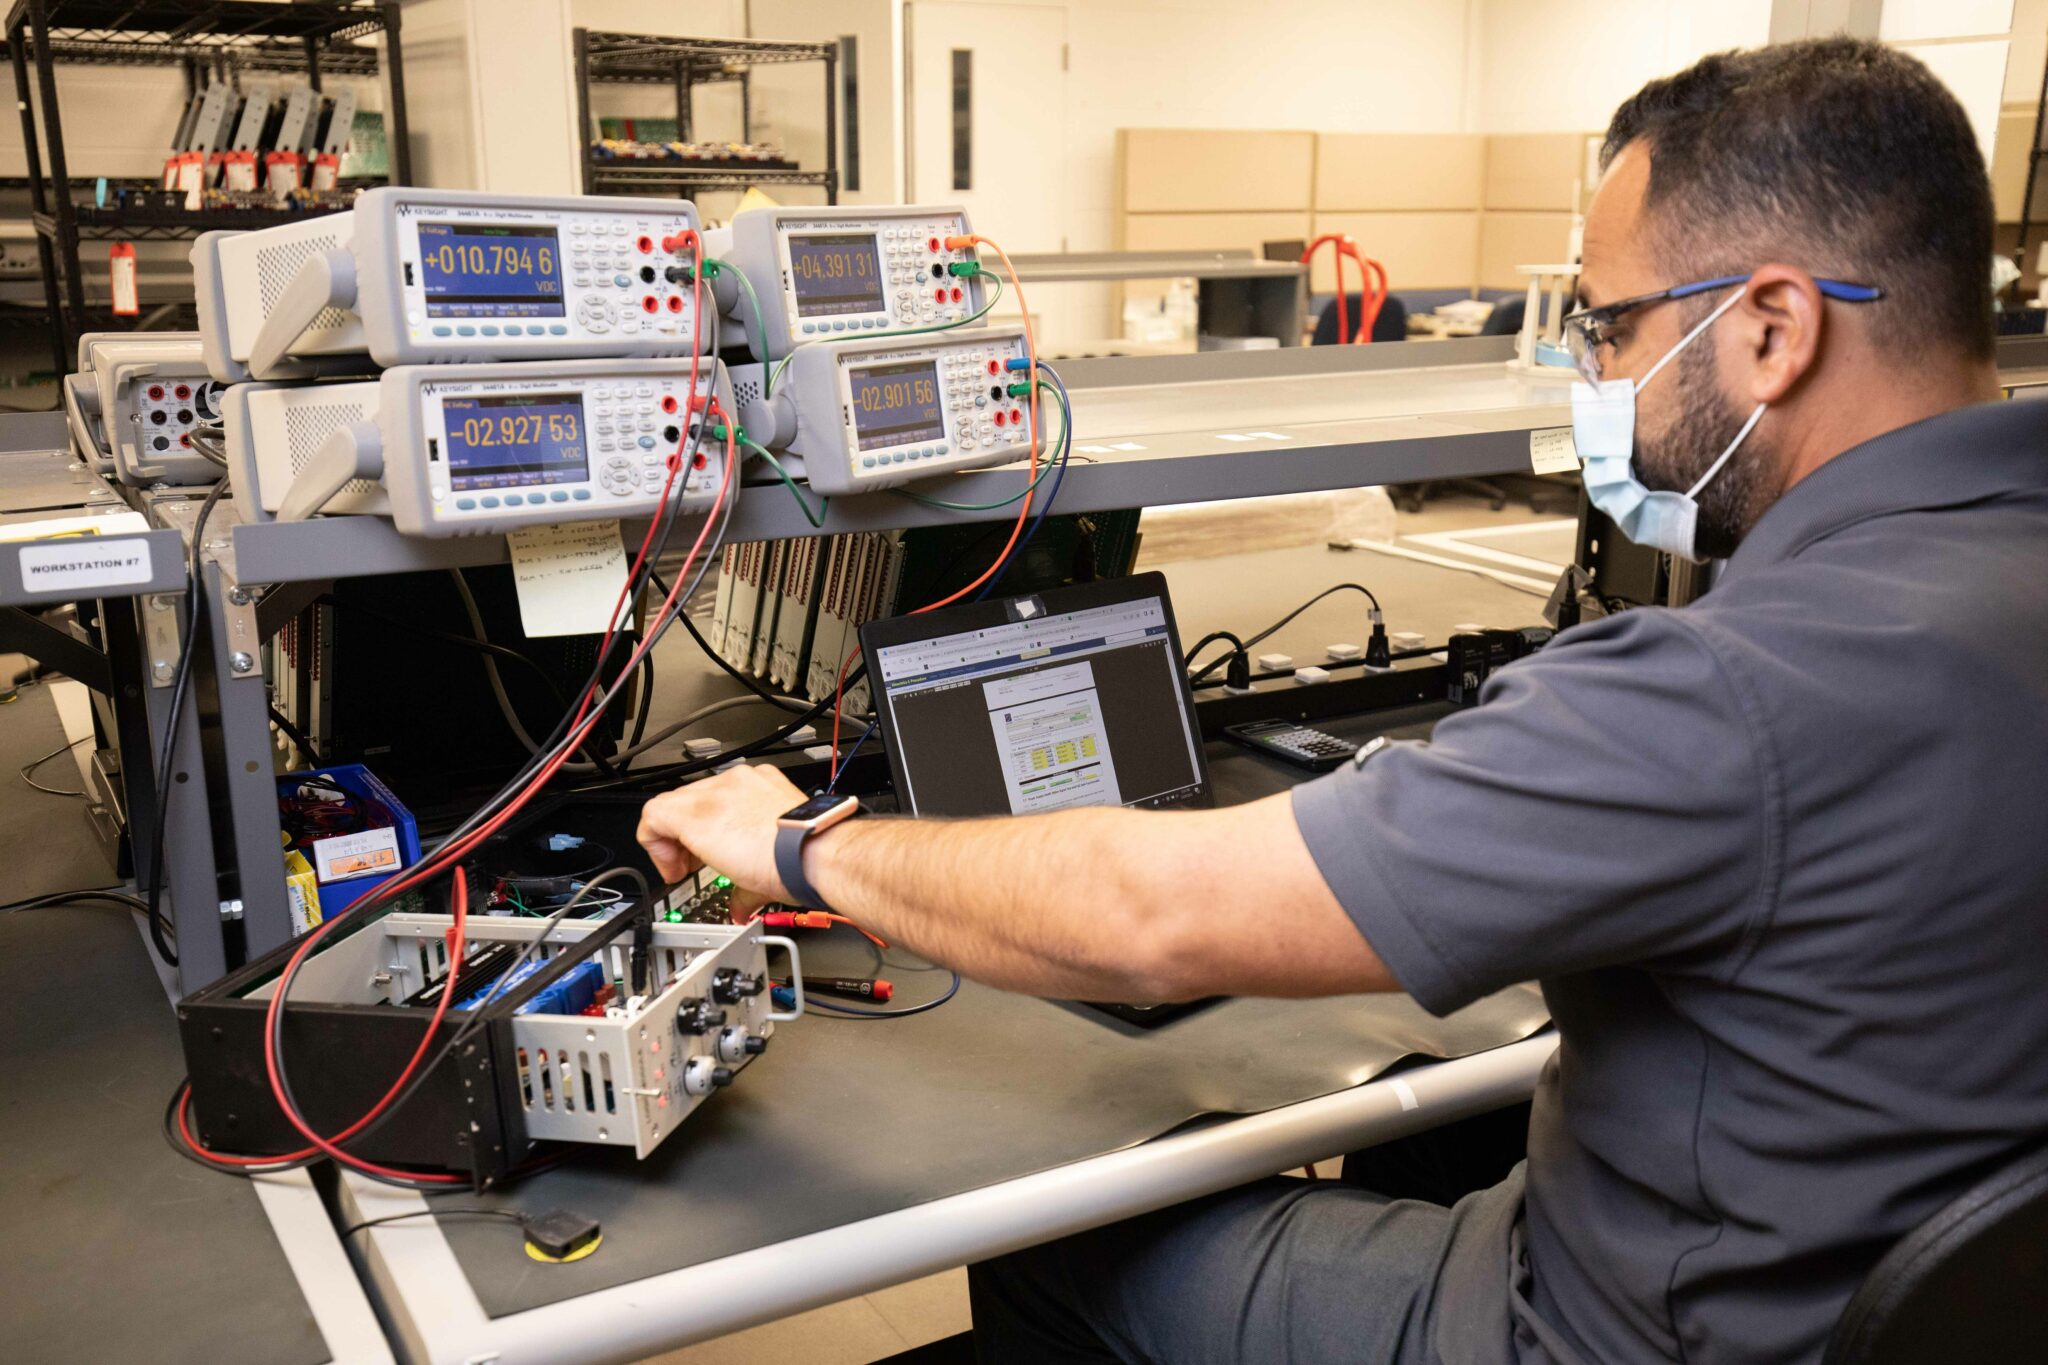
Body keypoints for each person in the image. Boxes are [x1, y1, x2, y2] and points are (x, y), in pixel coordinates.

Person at [637, 38, 2048, 1364]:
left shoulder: (1735, 691)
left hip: (1597, 1328)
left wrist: (798, 843)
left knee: (1060, 1232)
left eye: (1608, 329)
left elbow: (1151, 919)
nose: (1594, 376)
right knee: (1425, 1130)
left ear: (1772, 329)